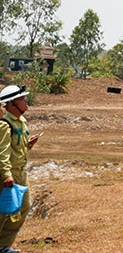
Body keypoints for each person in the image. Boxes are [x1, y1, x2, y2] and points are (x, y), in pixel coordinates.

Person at [0, 85, 40, 253]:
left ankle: (3, 245)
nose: (26, 101)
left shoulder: (22, 122)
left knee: (23, 206)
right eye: (22, 99)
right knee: (3, 212)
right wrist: (6, 174)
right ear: (11, 104)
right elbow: (2, 152)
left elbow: (17, 148)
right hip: (9, 175)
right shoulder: (4, 124)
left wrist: (28, 145)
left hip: (21, 173)